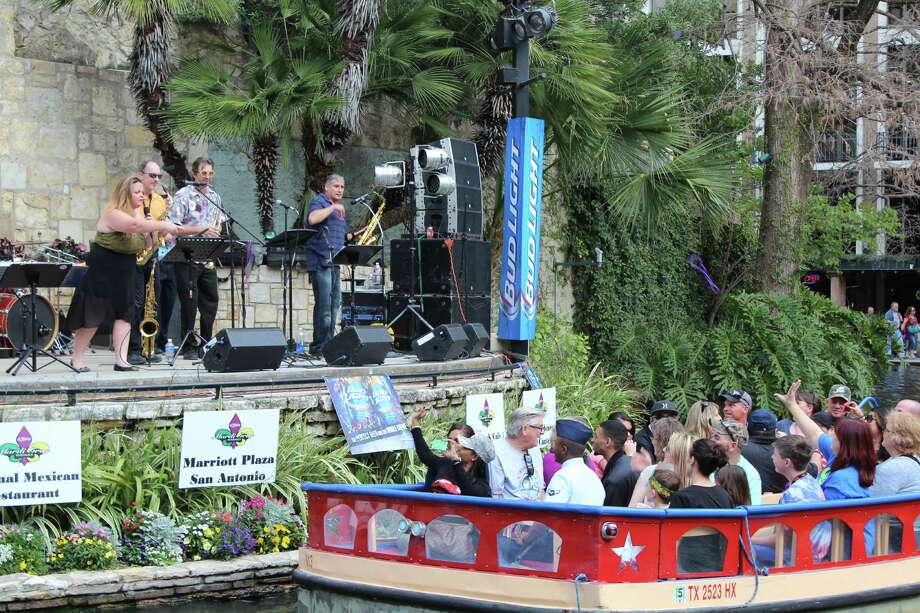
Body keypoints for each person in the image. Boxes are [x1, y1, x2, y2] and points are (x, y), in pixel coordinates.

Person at [66, 176, 201, 372]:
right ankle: (77, 359)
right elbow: (133, 227)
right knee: (92, 314)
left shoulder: (140, 216)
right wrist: (161, 225)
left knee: (125, 314)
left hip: (126, 268)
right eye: (136, 192)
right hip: (104, 268)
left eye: (141, 192)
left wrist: (153, 232)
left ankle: (121, 360)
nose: (140, 195)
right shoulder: (114, 214)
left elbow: (144, 244)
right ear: (125, 194)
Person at [169, 157, 224, 359]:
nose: (207, 177)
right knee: (189, 303)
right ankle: (188, 345)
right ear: (194, 174)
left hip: (207, 256)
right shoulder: (183, 195)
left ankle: (206, 343)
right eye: (203, 173)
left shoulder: (215, 197)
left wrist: (216, 231)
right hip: (187, 256)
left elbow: (218, 222)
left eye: (210, 173)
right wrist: (202, 230)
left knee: (211, 301)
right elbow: (174, 228)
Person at [751, 435, 831, 565]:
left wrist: (749, 539)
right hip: (817, 553)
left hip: (800, 558)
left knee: (748, 549)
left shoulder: (791, 495)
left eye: (775, 455)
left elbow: (780, 541)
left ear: (787, 462)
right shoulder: (812, 482)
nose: (772, 457)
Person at [127, 160, 170, 365]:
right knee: (135, 304)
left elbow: (160, 230)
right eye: (152, 175)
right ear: (141, 174)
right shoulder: (132, 197)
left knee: (151, 304)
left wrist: (164, 231)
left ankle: (149, 347)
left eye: (158, 176)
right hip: (134, 256)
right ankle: (132, 349)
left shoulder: (160, 201)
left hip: (152, 255)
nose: (156, 180)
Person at [669, 439, 733, 574]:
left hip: (687, 570)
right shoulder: (724, 496)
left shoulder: (682, 497)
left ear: (692, 460)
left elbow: (672, 541)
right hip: (719, 567)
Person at [302, 174, 348, 356]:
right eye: (336, 186)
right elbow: (312, 219)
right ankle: (321, 346)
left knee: (334, 304)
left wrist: (350, 237)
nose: (340, 189)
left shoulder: (337, 210)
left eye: (342, 187)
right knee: (324, 305)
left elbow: (337, 235)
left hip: (335, 262)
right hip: (321, 262)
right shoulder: (319, 201)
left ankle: (325, 345)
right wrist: (333, 207)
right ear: (326, 188)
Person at [407, 408, 491, 497]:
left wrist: (457, 462)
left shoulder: (480, 480)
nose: (451, 444)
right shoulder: (444, 464)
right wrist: (415, 421)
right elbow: (424, 453)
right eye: (449, 439)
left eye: (457, 441)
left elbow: (471, 491)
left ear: (474, 455)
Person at [544, 419, 605, 505]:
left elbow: (549, 513)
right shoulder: (593, 477)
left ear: (563, 449)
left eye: (553, 445)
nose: (552, 450)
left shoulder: (562, 477)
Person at [489, 407, 545, 500]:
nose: (541, 432)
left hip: (538, 511)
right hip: (512, 512)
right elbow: (496, 496)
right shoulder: (497, 451)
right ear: (524, 429)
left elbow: (541, 490)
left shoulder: (534, 449)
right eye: (540, 428)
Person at [629, 421, 687, 507]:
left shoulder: (650, 471)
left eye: (654, 437)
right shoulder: (693, 472)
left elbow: (632, 509)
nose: (652, 441)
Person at [709, 419, 762, 504]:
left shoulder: (750, 474)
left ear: (733, 446)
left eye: (716, 437)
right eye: (711, 436)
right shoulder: (707, 464)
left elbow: (752, 510)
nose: (710, 440)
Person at [870, 410, 920, 497]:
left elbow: (870, 502)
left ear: (897, 438)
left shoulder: (891, 468)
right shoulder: (914, 459)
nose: (882, 433)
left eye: (886, 430)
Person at [592, 419, 638, 506]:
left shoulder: (614, 480)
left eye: (596, 436)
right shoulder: (627, 462)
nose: (593, 440)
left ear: (608, 442)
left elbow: (610, 515)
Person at [741, 408, 787, 494]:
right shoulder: (786, 451)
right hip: (781, 505)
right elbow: (812, 471)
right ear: (775, 430)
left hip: (749, 504)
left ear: (747, 426)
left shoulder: (738, 451)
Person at [634, 400, 679, 467]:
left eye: (670, 417)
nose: (665, 421)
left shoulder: (676, 435)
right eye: (660, 417)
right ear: (651, 420)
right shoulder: (641, 440)